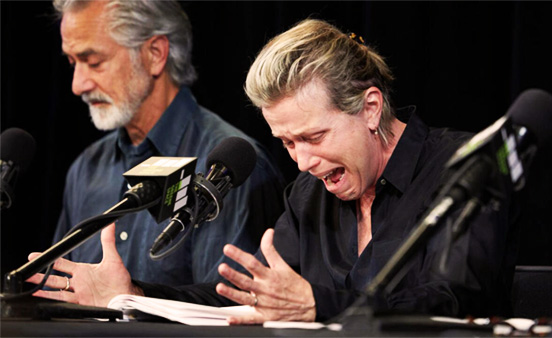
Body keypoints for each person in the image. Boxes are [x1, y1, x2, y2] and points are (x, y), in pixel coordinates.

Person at [28, 19, 519, 324]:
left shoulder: (465, 168)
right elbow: (241, 300)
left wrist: (316, 305)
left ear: (370, 108)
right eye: (287, 143)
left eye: (314, 137)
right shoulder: (308, 193)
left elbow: (454, 302)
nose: (302, 163)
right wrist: (134, 294)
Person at [45, 0, 286, 288]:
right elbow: (58, 293)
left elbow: (224, 311)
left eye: (94, 62)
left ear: (155, 54)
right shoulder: (85, 169)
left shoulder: (229, 170)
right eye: (73, 63)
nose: (77, 84)